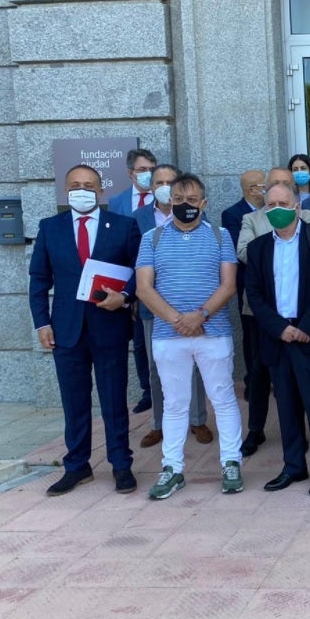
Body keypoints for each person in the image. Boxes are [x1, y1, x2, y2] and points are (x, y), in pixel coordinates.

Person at [29, 164, 141, 496]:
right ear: (66, 191)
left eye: (89, 184)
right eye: (75, 184)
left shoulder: (123, 226)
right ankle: (77, 466)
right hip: (65, 331)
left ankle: (121, 465)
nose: (82, 189)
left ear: (101, 190)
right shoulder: (50, 228)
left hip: (110, 327)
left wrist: (124, 297)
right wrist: (42, 322)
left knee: (113, 400)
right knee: (74, 403)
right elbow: (39, 280)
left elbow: (140, 271)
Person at [135, 173, 245, 499]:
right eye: (179, 200)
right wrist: (177, 320)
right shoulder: (151, 238)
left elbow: (229, 285)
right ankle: (172, 469)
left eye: (192, 200)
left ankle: (231, 463)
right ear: (170, 202)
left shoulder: (220, 235)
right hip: (169, 337)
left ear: (204, 203)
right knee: (175, 404)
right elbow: (143, 288)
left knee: (223, 399)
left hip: (213, 333)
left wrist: (201, 316)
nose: (185, 206)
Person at [246, 183, 310, 495]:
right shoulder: (259, 248)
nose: (277, 209)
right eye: (270, 204)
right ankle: (293, 466)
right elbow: (255, 295)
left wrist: (306, 326)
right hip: (277, 338)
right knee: (286, 407)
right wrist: (279, 328)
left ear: (297, 205)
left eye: (283, 203)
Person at [235, 169, 310, 456]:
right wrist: (272, 243)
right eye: (274, 185)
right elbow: (244, 251)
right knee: (259, 371)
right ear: (264, 191)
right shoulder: (251, 219)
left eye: (285, 185)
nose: (279, 190)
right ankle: (255, 429)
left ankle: (303, 435)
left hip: (300, 315)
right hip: (261, 313)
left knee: (302, 378)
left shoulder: (307, 217)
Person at [133, 164, 211, 449]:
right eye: (159, 182)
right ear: (151, 186)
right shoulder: (139, 218)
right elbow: (135, 264)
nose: (165, 187)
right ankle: (158, 424)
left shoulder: (198, 215)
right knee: (156, 369)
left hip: (194, 310)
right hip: (154, 309)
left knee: (195, 367)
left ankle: (198, 420)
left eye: (170, 181)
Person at [108, 147, 156, 414]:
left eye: (152, 169)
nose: (148, 174)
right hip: (127, 278)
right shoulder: (118, 202)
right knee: (138, 342)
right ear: (130, 172)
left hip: (154, 278)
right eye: (142, 170)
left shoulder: (163, 198)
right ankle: (147, 391)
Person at [221, 170, 266, 402]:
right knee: (251, 336)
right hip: (248, 284)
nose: (265, 188)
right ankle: (253, 381)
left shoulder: (272, 211)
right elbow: (243, 251)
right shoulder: (232, 215)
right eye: (262, 185)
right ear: (251, 189)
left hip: (275, 286)